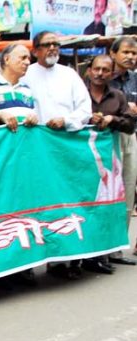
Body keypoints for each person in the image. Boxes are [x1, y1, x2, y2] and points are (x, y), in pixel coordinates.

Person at [84, 55, 137, 271]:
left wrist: (111, 120)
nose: (100, 73)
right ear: (89, 70)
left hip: (116, 153)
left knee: (120, 199)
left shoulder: (118, 96)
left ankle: (113, 249)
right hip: (85, 157)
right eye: (96, 69)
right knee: (91, 202)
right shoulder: (79, 93)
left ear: (111, 73)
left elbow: (130, 124)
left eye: (105, 70)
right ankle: (91, 252)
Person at [22, 31, 91, 131]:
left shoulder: (69, 74)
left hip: (65, 137)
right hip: (36, 136)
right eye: (47, 45)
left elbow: (85, 109)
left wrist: (65, 121)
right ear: (35, 52)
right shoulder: (25, 74)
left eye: (55, 44)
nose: (52, 48)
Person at [108, 36, 137, 264]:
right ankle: (104, 246)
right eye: (126, 52)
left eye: (134, 53)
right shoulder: (104, 77)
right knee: (109, 193)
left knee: (128, 189)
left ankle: (119, 246)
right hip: (109, 138)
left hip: (132, 136)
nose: (130, 57)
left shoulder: (135, 80)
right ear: (113, 53)